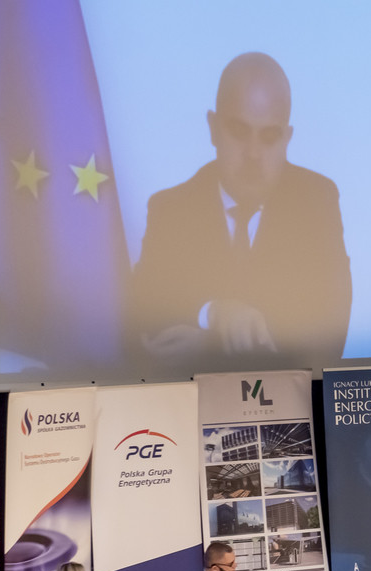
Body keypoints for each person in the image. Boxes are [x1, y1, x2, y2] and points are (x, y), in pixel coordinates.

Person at [131, 52, 352, 366]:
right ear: (213, 128)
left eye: (269, 136)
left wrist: (211, 342)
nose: (253, 153)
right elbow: (142, 323)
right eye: (239, 131)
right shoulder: (171, 210)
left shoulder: (316, 201)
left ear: (287, 139)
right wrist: (214, 312)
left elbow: (329, 337)